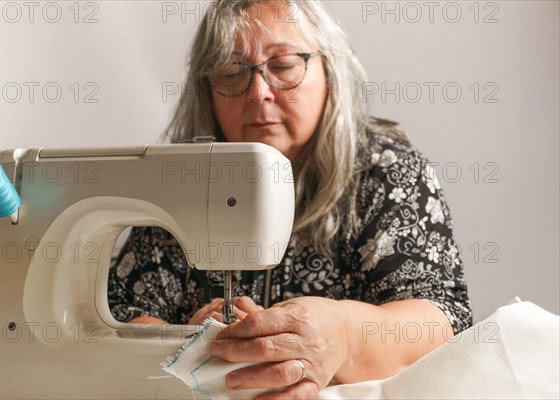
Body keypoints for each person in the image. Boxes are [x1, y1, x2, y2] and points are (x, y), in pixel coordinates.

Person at [108, 0, 472, 398]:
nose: (258, 93)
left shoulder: (386, 171)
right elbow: (124, 315)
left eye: (282, 66)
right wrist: (189, 342)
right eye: (231, 74)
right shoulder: (181, 181)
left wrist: (343, 335)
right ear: (207, 91)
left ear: (330, 71)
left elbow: (439, 320)